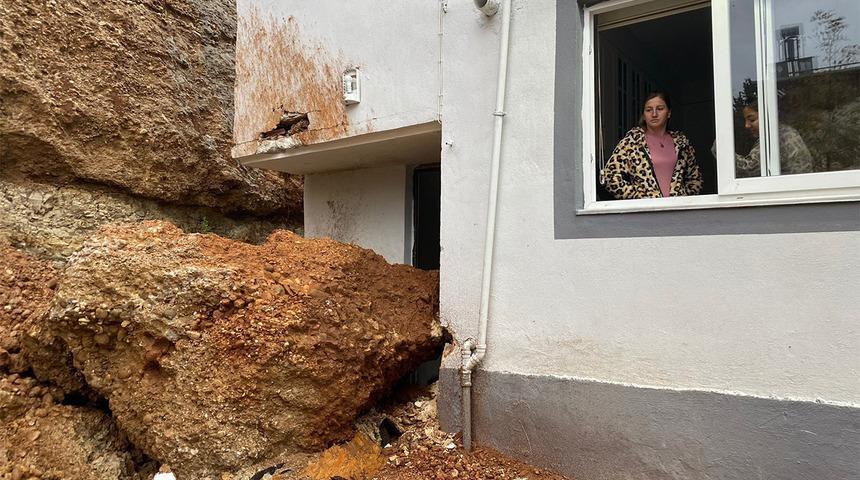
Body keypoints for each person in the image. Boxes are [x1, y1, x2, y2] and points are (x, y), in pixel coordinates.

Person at [601, 92, 702, 199]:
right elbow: (609, 176)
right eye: (649, 110)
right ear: (644, 115)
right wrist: (638, 196)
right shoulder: (632, 142)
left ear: (669, 113)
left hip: (677, 210)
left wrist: (684, 198)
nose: (654, 114)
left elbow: (695, 179)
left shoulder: (682, 143)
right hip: (646, 211)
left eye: (660, 108)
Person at [730, 101, 813, 177]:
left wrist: (721, 147)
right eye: (745, 121)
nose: (746, 125)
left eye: (752, 120)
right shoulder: (786, 132)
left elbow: (747, 169)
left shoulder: (775, 137)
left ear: (767, 116)